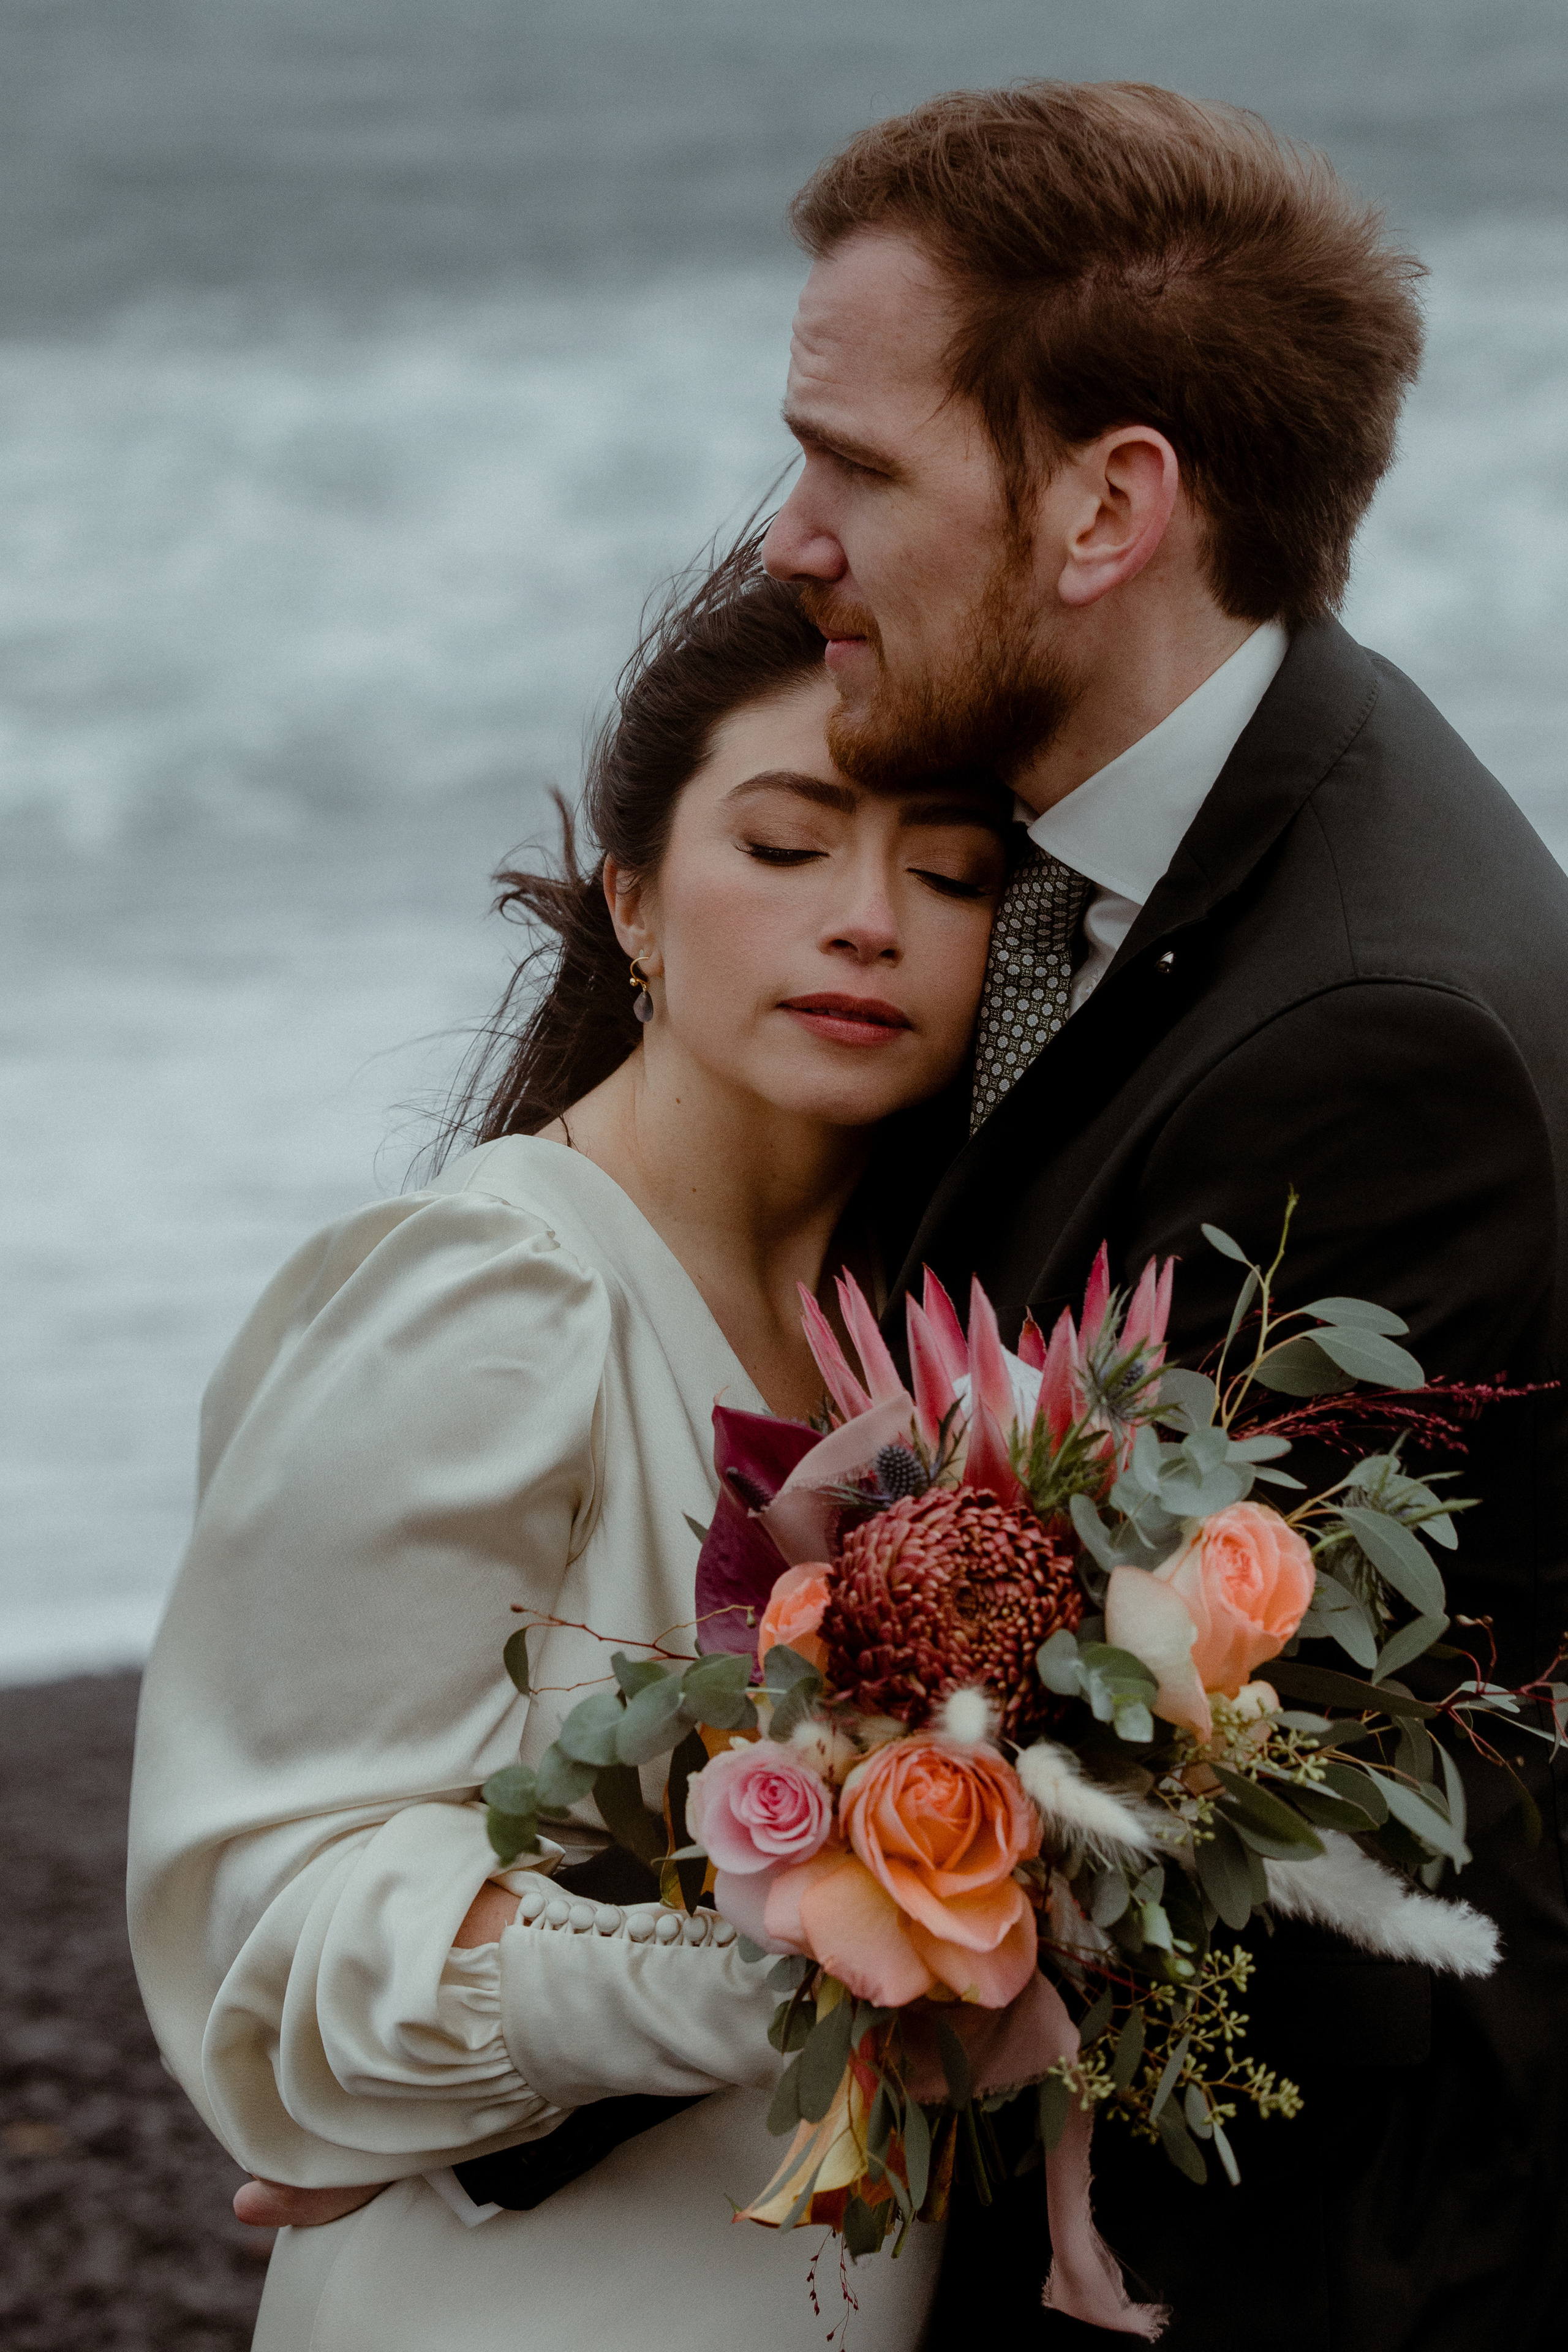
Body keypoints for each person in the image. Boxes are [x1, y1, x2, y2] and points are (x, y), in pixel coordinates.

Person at [760, 80, 1568, 2351]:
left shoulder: (1378, 1045)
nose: (783, 542)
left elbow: (1082, 1783)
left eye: (858, 466)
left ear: (1111, 506)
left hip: (1259, 2260)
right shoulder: (1113, 814)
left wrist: (493, 2072)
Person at [126, 542, 1010, 2352]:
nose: (871, 920)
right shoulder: (501, 1285)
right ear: (635, 898)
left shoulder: (915, 1344)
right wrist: (824, 1955)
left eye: (950, 874)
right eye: (785, 847)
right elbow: (280, 1924)